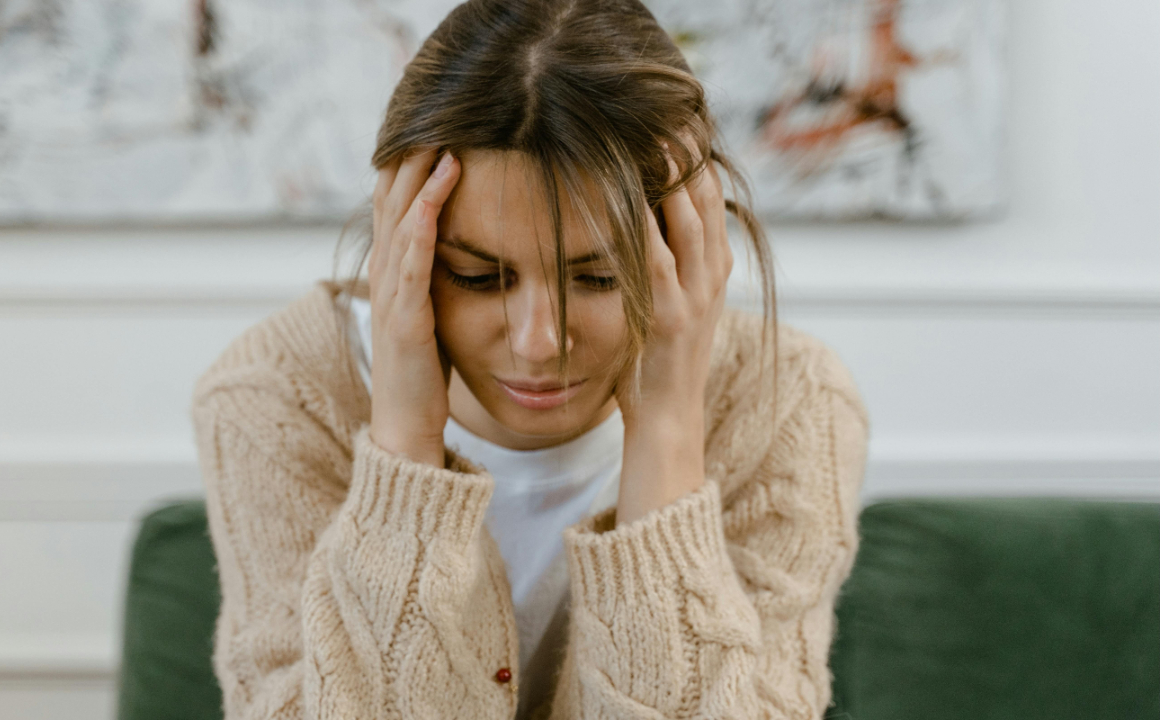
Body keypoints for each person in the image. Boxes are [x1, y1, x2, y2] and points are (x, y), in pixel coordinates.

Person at [190, 0, 871, 718]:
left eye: (599, 277)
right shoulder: (277, 399)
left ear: (684, 238)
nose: (539, 343)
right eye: (479, 278)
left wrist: (667, 433)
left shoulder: (788, 401)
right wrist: (403, 452)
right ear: (402, 245)